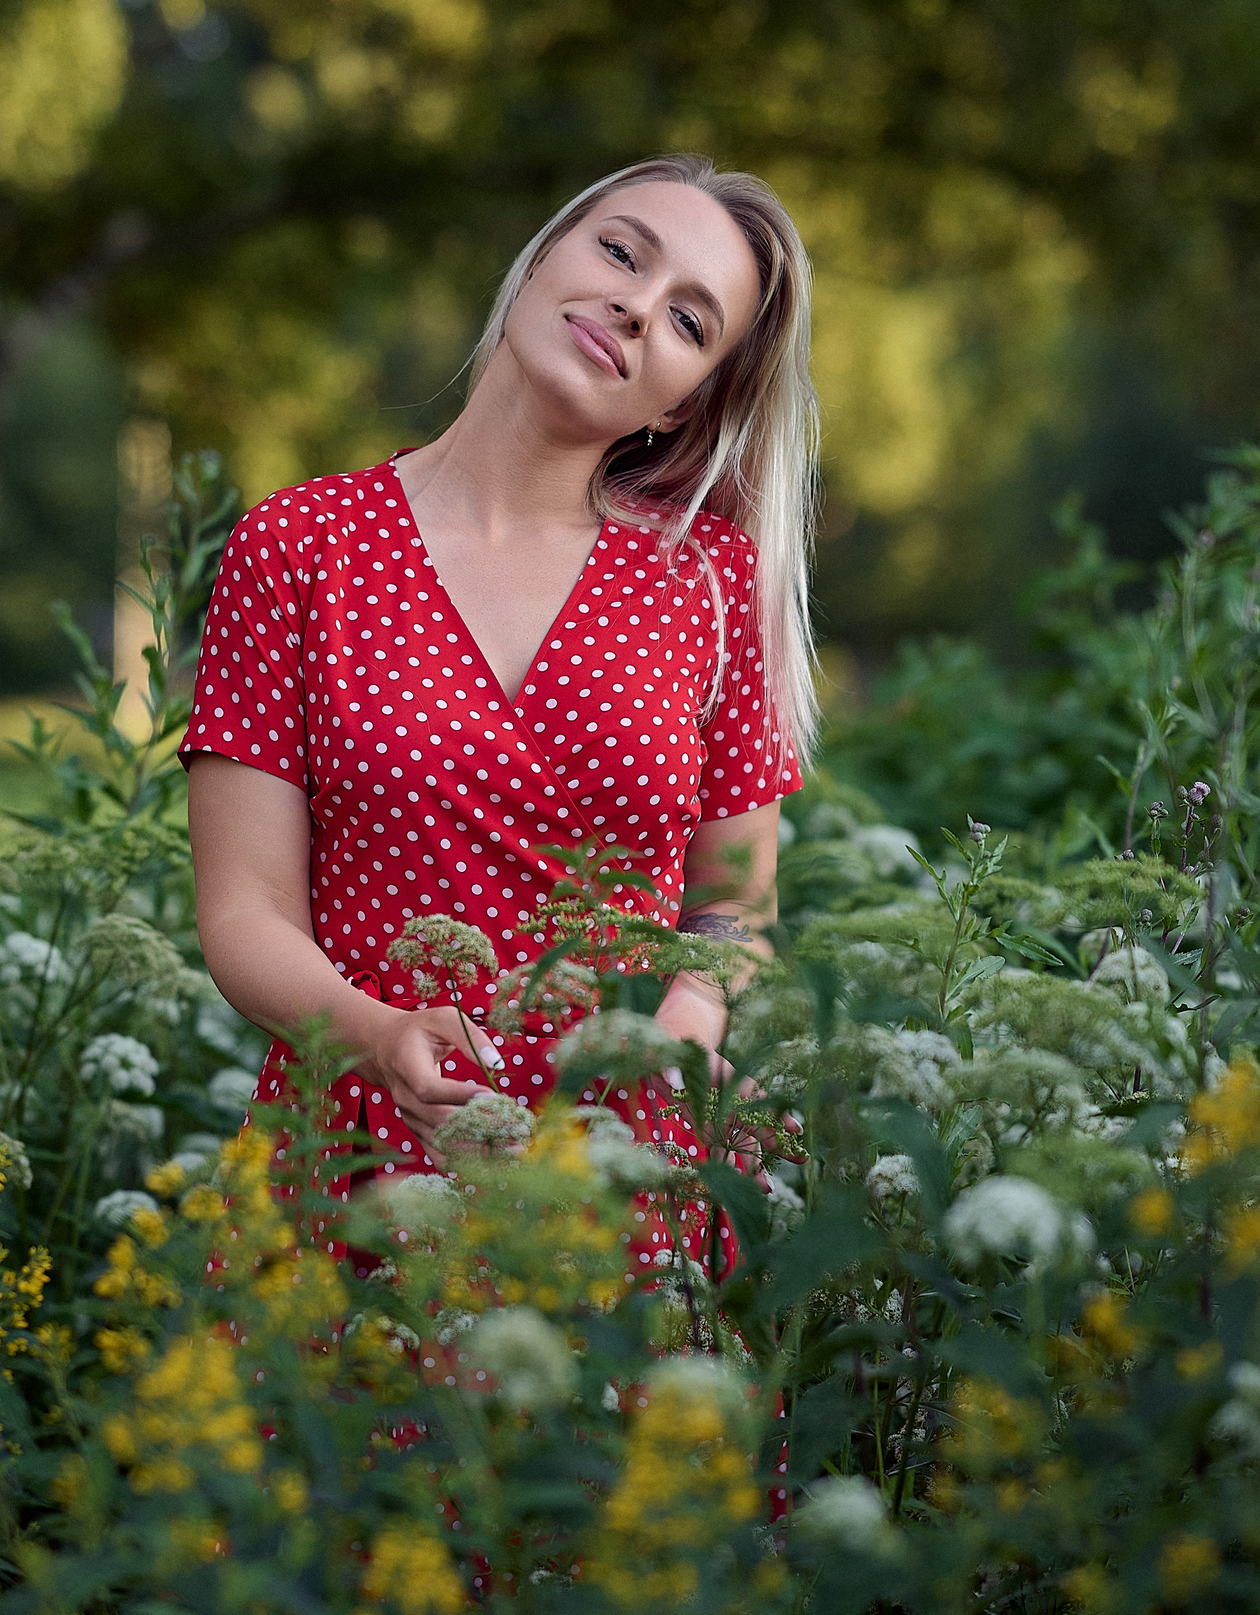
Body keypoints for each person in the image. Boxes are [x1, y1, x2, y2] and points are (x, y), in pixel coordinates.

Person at [182, 155, 818, 1276]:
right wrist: (374, 1035)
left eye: (687, 319)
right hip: (356, 1162)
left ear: (686, 399)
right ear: (539, 262)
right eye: (620, 252)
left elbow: (733, 911)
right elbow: (243, 913)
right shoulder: (297, 548)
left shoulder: (712, 585)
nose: (633, 303)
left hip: (621, 1173)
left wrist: (678, 1038)